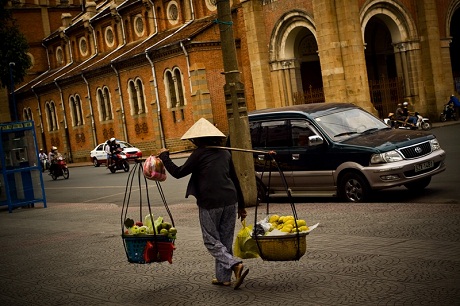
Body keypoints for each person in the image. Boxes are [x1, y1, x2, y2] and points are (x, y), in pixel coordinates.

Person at [158, 118, 249, 289]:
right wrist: (242, 206)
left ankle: (234, 264)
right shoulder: (225, 152)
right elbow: (235, 180)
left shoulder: (200, 153)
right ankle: (224, 278)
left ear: (198, 139)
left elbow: (178, 173)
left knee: (210, 240)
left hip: (210, 202)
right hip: (231, 200)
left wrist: (164, 157)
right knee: (224, 240)